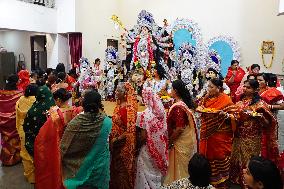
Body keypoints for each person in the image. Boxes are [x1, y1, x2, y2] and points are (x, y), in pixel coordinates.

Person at [230, 79, 277, 188]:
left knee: (248, 161)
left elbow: (268, 124)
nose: (245, 89)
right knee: (236, 158)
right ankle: (237, 179)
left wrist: (259, 117)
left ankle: (249, 182)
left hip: (252, 138)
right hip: (238, 135)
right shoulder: (240, 102)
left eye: (248, 87)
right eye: (244, 86)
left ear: (255, 90)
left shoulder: (260, 104)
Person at [61, 90, 112, 189]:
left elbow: (64, 147)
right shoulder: (107, 122)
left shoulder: (75, 123)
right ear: (99, 105)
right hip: (100, 167)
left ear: (83, 104)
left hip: (80, 169)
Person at [34, 88, 82, 189]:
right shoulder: (75, 110)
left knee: (59, 168)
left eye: (55, 100)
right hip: (73, 144)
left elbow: (44, 135)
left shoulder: (55, 115)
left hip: (59, 144)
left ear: (59, 100)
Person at [197, 78, 236, 189]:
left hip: (220, 137)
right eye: (208, 86)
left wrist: (226, 115)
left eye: (211, 87)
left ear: (219, 88)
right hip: (206, 135)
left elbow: (235, 116)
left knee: (220, 157)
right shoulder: (205, 98)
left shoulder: (226, 99)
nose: (208, 89)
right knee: (206, 157)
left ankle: (221, 183)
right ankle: (207, 181)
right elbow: (201, 110)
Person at [163, 80, 198, 185]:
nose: (170, 91)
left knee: (180, 169)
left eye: (171, 89)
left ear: (176, 91)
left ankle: (180, 185)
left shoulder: (178, 107)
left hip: (180, 143)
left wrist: (170, 141)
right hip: (182, 141)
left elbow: (179, 128)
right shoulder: (181, 104)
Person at [135, 87, 168, 189]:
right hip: (160, 149)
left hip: (147, 149)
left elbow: (143, 136)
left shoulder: (145, 115)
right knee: (156, 170)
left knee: (144, 171)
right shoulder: (162, 113)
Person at [109, 82, 138, 189]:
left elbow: (130, 131)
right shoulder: (119, 106)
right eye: (116, 90)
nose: (115, 92)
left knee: (122, 174)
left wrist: (116, 139)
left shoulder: (127, 110)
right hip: (116, 145)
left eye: (118, 91)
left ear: (125, 93)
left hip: (122, 146)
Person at [256, 73, 281, 166]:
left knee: (268, 142)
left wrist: (269, 106)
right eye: (257, 80)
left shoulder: (272, 91)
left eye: (261, 80)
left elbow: (282, 105)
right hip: (257, 120)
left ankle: (269, 164)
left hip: (269, 121)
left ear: (266, 82)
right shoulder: (256, 91)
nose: (258, 82)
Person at [23, 85, 55, 157]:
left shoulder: (32, 111)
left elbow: (26, 127)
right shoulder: (55, 109)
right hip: (52, 144)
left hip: (36, 144)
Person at [16, 84, 38, 183]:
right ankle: (38, 175)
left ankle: (30, 177)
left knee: (25, 153)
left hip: (22, 129)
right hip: (35, 129)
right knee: (36, 152)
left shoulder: (20, 100)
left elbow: (17, 115)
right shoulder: (37, 100)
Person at [0, 74, 23, 165]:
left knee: (6, 140)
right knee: (15, 139)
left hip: (3, 121)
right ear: (16, 82)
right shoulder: (19, 94)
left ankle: (6, 159)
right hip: (14, 121)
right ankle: (15, 158)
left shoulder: (1, 93)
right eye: (18, 80)